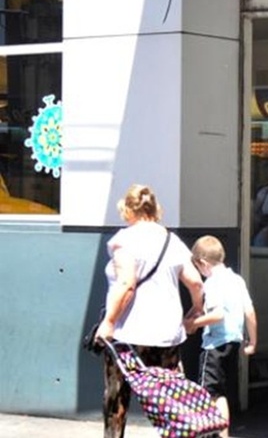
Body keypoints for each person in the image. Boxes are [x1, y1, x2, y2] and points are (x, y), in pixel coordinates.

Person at [95, 184, 204, 437]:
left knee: (116, 400)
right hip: (167, 335)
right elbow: (196, 282)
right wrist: (196, 310)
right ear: (155, 209)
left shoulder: (124, 240)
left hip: (127, 336)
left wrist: (109, 322)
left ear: (128, 210)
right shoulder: (171, 240)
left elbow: (127, 284)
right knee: (170, 402)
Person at [185, 235, 258, 438]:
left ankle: (209, 432)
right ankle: (222, 434)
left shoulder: (213, 283)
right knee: (219, 393)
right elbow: (250, 312)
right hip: (233, 343)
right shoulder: (237, 280)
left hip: (214, 346)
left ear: (202, 263)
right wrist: (252, 341)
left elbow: (217, 315)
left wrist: (192, 324)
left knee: (206, 393)